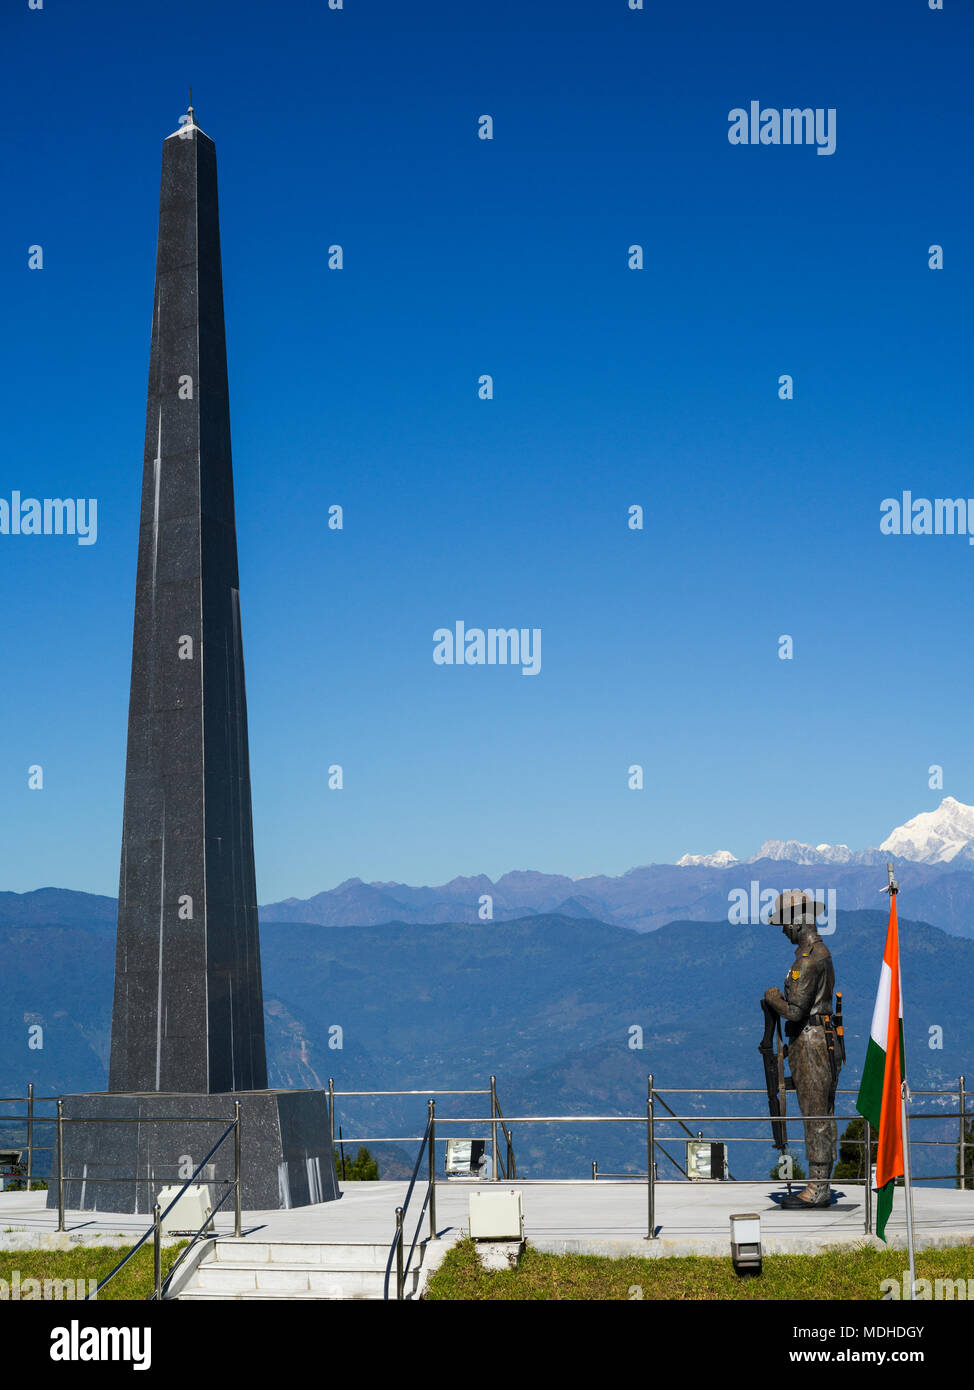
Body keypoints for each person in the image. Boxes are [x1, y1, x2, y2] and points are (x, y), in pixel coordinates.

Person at [763, 890, 841, 1209]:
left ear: (797, 922)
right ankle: (819, 1180)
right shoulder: (820, 953)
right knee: (820, 1110)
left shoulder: (808, 961)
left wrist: (772, 998)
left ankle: (818, 1187)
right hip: (821, 1037)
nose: (783, 930)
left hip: (810, 1042)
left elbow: (795, 1011)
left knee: (815, 1112)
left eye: (784, 923)